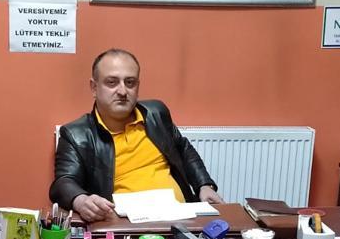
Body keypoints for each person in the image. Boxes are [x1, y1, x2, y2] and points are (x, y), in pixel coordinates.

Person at [50, 48, 223, 222]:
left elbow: (183, 149)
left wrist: (204, 185)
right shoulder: (76, 134)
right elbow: (64, 182)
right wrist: (81, 200)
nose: (123, 91)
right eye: (112, 82)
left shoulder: (156, 114)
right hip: (124, 225)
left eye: (130, 82)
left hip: (181, 217)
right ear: (94, 88)